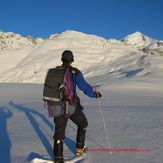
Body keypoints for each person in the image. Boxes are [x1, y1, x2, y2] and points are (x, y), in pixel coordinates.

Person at [51, 50, 102, 163]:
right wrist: (95, 94)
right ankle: (80, 149)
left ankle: (58, 159)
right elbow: (84, 87)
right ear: (72, 60)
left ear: (62, 59)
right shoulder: (75, 72)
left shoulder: (55, 72)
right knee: (83, 123)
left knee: (59, 133)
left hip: (56, 107)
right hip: (71, 106)